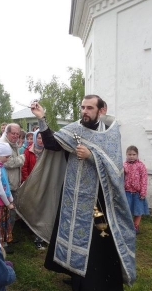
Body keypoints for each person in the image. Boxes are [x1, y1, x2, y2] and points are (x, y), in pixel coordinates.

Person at [28, 95, 136, 290]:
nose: (84, 111)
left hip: (99, 199)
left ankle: (96, 280)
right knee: (72, 235)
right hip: (73, 195)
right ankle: (76, 275)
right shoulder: (74, 129)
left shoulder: (111, 133)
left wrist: (91, 155)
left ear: (101, 110)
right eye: (83, 107)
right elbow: (52, 144)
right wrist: (41, 118)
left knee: (98, 242)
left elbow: (114, 169)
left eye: (90, 108)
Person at [20, 129, 45, 250]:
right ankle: (35, 234)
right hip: (32, 185)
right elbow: (24, 168)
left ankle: (41, 236)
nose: (41, 140)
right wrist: (27, 181)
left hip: (45, 184)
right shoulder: (28, 151)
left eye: (43, 138)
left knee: (42, 210)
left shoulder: (49, 151)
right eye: (39, 138)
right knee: (34, 210)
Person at [0, 123, 25, 236]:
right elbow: (8, 162)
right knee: (6, 215)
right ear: (7, 132)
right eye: (13, 133)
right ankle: (4, 240)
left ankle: (7, 238)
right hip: (7, 186)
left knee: (11, 213)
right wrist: (22, 158)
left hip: (12, 184)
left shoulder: (12, 143)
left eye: (17, 134)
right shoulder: (4, 144)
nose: (15, 136)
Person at [123, 145, 149, 233]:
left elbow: (144, 179)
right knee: (127, 210)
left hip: (138, 193)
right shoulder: (124, 165)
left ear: (137, 155)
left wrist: (143, 192)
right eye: (129, 154)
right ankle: (128, 226)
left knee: (138, 210)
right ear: (126, 155)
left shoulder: (141, 166)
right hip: (127, 192)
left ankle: (136, 226)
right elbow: (121, 178)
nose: (131, 156)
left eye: (134, 154)